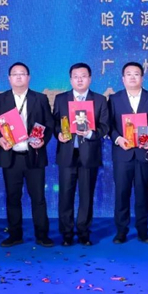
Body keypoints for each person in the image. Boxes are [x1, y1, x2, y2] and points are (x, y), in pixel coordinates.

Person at [0, 62, 54, 247]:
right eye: (15, 74)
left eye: (22, 73)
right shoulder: (0, 99)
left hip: (34, 155)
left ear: (28, 77)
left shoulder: (40, 98)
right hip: (11, 156)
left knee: (38, 198)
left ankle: (42, 235)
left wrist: (44, 140)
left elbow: (49, 123)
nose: (18, 77)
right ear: (9, 78)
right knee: (12, 197)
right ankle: (15, 235)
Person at [52, 63, 109, 246]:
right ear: (70, 80)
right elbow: (54, 123)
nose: (79, 80)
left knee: (86, 196)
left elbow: (105, 126)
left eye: (83, 76)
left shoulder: (100, 100)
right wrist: (58, 134)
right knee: (65, 196)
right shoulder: (61, 99)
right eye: (76, 76)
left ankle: (84, 232)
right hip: (67, 153)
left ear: (90, 79)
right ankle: (67, 233)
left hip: (89, 154)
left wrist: (92, 133)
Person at [108, 62, 148, 244]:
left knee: (142, 194)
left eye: (136, 74)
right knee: (121, 193)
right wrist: (118, 139)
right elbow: (108, 125)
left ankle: (143, 231)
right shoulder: (114, 99)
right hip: (122, 153)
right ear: (123, 79)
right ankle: (121, 231)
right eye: (129, 74)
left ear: (142, 78)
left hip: (144, 153)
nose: (132, 77)